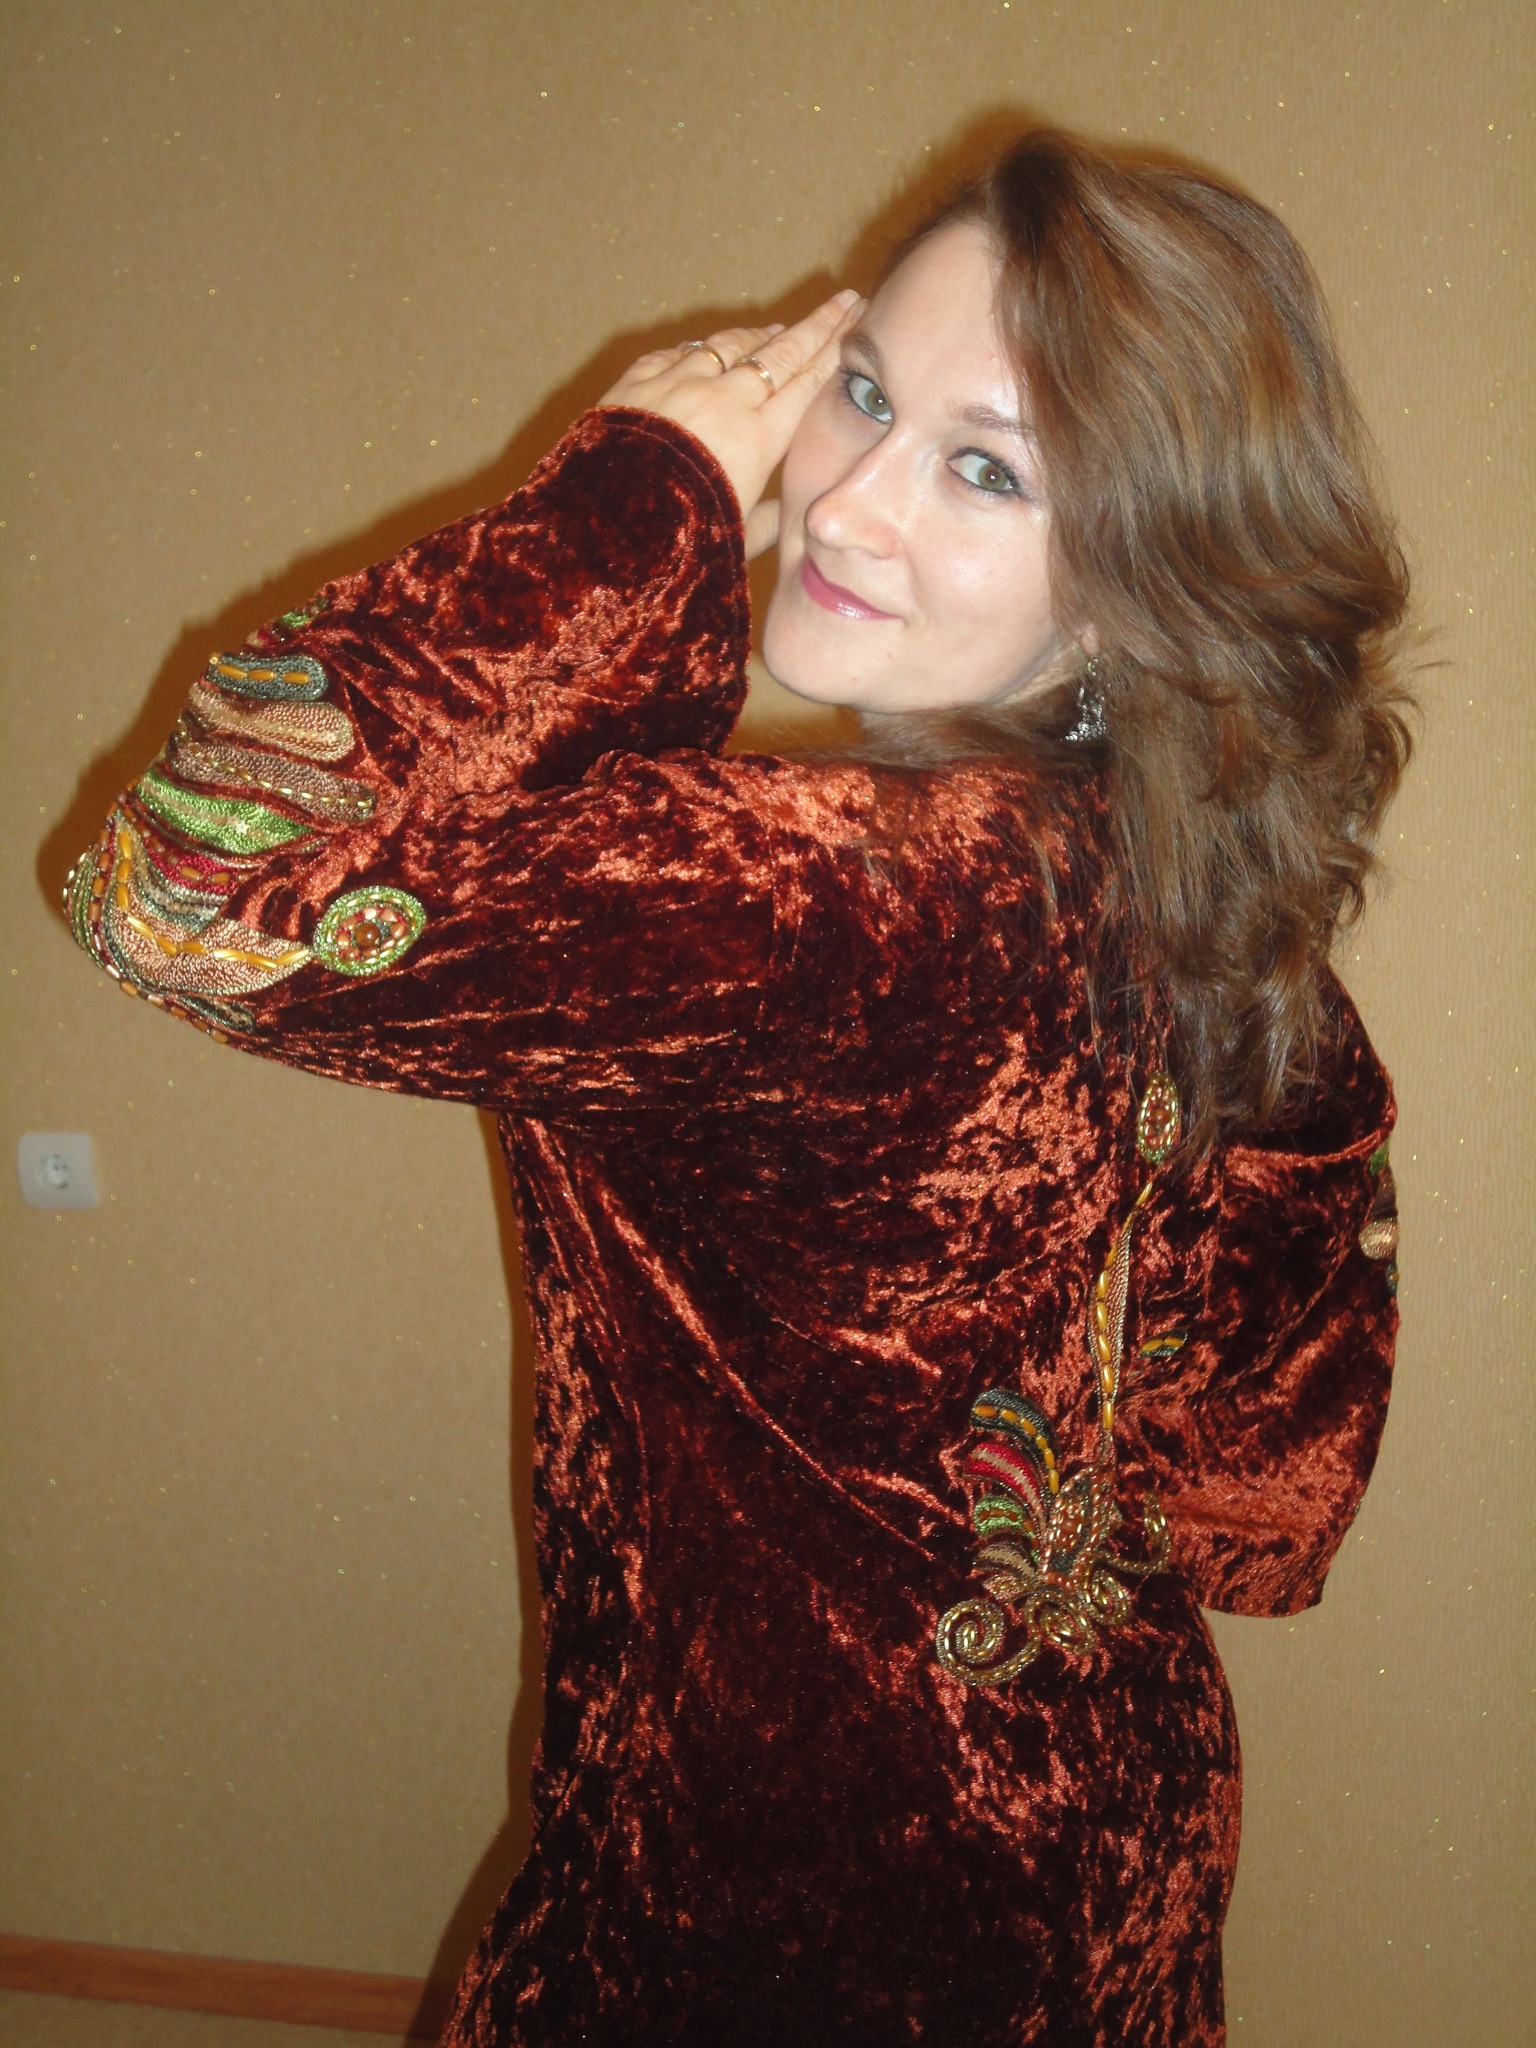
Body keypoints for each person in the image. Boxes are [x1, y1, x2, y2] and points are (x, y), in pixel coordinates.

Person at [65, 129, 1409, 2045]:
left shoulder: (833, 900)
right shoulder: (1182, 890)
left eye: (986, 467)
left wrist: (632, 502)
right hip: (1116, 1811)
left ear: (1137, 584)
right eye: (862, 392)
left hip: (798, 1889)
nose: (845, 500)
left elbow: (186, 883)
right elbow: (1262, 1478)